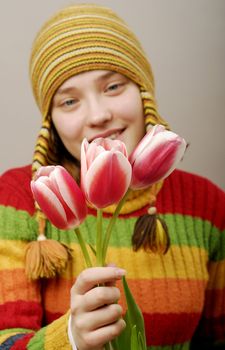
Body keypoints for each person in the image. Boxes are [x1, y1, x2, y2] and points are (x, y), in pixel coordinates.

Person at [0, 3, 224, 350]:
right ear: (51, 123)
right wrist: (71, 338)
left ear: (143, 91)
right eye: (69, 102)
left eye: (114, 87)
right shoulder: (21, 197)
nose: (99, 115)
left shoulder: (206, 202)